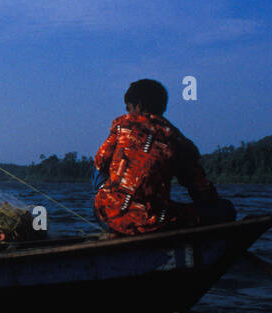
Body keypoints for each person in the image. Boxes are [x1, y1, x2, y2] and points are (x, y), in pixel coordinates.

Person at [92, 79, 235, 236]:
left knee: (100, 172)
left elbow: (100, 162)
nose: (127, 112)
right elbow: (200, 188)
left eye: (129, 108)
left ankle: (116, 216)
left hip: (104, 213)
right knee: (225, 209)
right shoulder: (178, 140)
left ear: (139, 105)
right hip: (150, 223)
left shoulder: (121, 125)